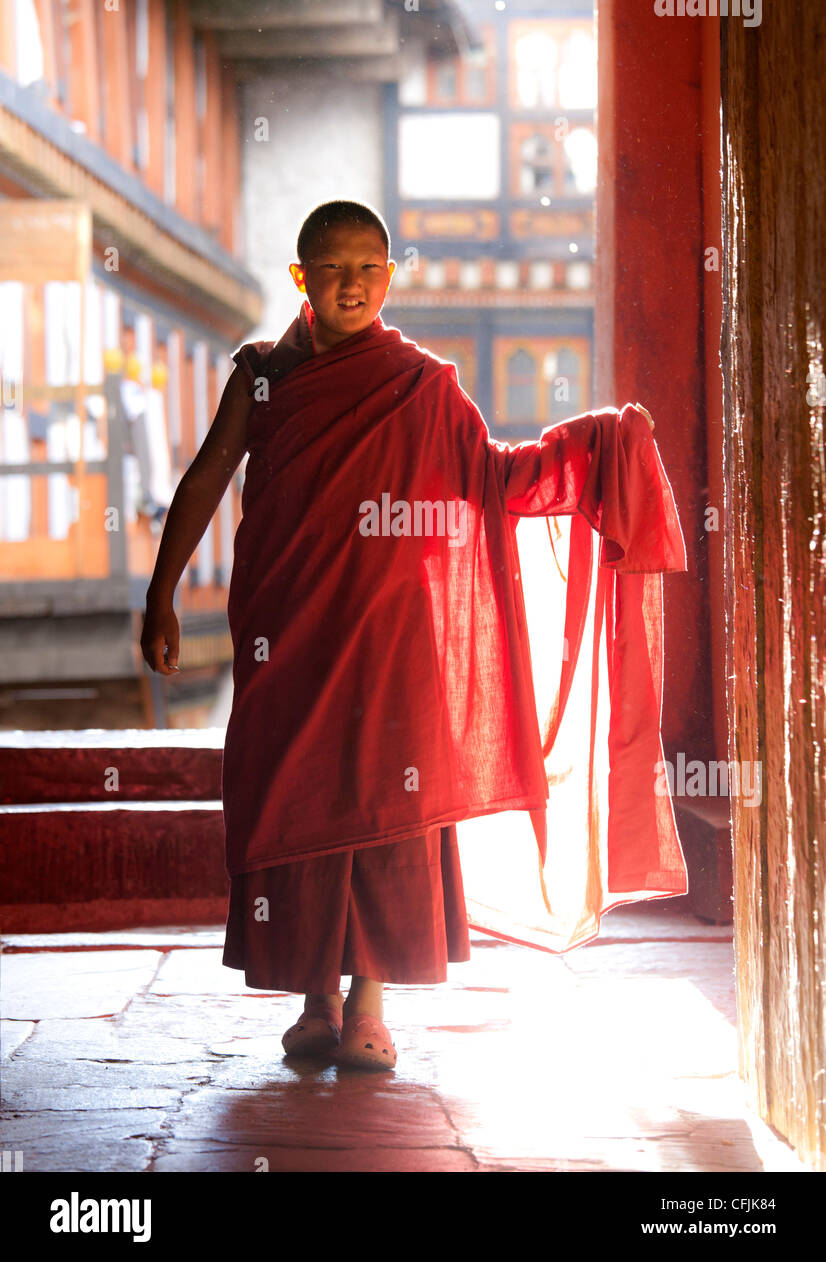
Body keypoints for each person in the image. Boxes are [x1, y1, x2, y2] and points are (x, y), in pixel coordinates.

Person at [140, 198, 677, 1074]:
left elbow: (492, 478)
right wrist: (162, 592)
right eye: (330, 268)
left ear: (389, 279)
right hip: (289, 630)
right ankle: (314, 1000)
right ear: (300, 278)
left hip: (393, 637)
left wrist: (599, 446)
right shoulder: (263, 375)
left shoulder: (424, 385)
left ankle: (368, 1006)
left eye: (367, 269)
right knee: (294, 797)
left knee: (387, 812)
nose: (350, 285)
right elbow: (205, 479)